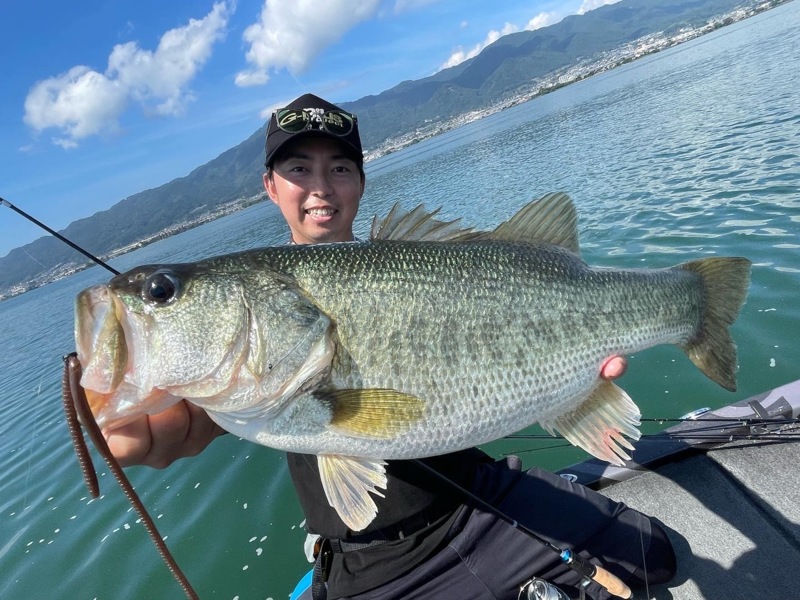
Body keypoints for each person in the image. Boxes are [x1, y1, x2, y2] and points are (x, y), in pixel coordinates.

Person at [104, 93, 676, 599]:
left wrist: (576, 385)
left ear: (361, 179)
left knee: (657, 554)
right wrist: (155, 422)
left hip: (479, 498)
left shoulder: (415, 263)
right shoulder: (242, 355)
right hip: (375, 563)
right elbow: (196, 415)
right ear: (270, 185)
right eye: (299, 168)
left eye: (341, 167)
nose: (321, 187)